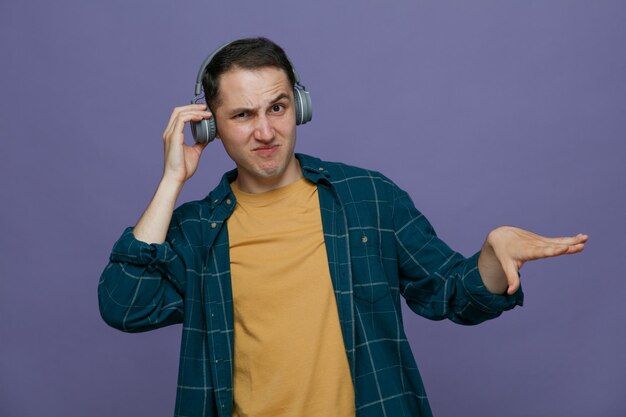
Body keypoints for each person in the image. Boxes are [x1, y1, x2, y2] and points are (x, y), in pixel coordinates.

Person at [98, 37, 587, 417]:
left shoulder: (368, 198)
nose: (265, 131)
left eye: (277, 107)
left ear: (300, 106)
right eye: (242, 115)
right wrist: (171, 182)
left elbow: (452, 293)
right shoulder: (196, 230)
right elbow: (124, 304)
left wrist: (493, 253)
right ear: (210, 126)